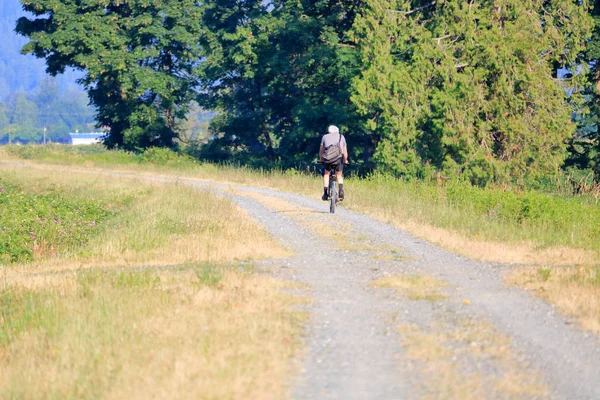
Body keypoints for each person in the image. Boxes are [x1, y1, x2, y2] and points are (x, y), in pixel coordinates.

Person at [319, 125, 348, 201]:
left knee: (326, 173)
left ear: (329, 131)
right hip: (339, 158)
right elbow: (345, 152)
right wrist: (345, 160)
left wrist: (321, 160)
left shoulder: (325, 137)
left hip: (328, 158)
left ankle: (325, 193)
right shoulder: (342, 137)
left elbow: (321, 151)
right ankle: (341, 190)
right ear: (337, 131)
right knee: (339, 174)